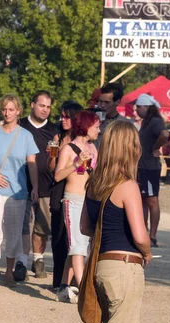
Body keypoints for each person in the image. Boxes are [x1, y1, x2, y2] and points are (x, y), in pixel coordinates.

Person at [81, 120, 151, 323]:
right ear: (130, 148)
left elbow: (85, 227)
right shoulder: (127, 186)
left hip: (101, 265)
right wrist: (147, 252)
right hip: (124, 266)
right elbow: (140, 234)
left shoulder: (95, 182)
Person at [0, 94, 39, 288]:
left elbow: (31, 163)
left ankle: (9, 272)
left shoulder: (26, 136)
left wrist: (35, 187)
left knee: (13, 234)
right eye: (4, 109)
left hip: (17, 191)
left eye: (11, 109)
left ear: (18, 111)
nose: (7, 113)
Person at [53, 110, 99, 302]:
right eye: (96, 126)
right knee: (77, 247)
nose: (98, 129)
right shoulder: (68, 149)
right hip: (72, 200)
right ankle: (84, 289)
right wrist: (76, 163)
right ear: (86, 126)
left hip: (88, 200)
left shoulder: (93, 148)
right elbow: (57, 175)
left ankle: (64, 285)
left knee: (82, 245)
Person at [17, 91, 58, 280]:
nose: (45, 110)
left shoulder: (54, 129)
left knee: (42, 226)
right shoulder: (20, 126)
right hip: (21, 183)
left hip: (46, 184)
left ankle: (38, 259)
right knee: (23, 225)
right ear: (32, 104)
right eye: (42, 105)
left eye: (48, 107)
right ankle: (21, 262)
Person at [48, 101, 83, 290]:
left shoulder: (81, 140)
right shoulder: (58, 136)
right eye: (62, 116)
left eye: (67, 116)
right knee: (59, 236)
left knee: (75, 237)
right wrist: (53, 155)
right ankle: (59, 281)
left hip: (75, 190)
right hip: (58, 189)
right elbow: (51, 168)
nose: (63, 119)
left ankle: (72, 280)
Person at [135, 94, 170, 248]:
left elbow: (165, 134)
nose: (136, 109)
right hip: (143, 167)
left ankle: (153, 236)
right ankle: (144, 232)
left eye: (138, 107)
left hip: (150, 168)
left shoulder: (155, 122)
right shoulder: (146, 122)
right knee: (142, 200)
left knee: (152, 200)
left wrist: (156, 147)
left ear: (146, 107)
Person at [95, 82, 130, 148]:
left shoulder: (126, 125)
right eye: (100, 101)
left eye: (107, 102)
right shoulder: (93, 122)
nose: (102, 105)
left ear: (118, 102)